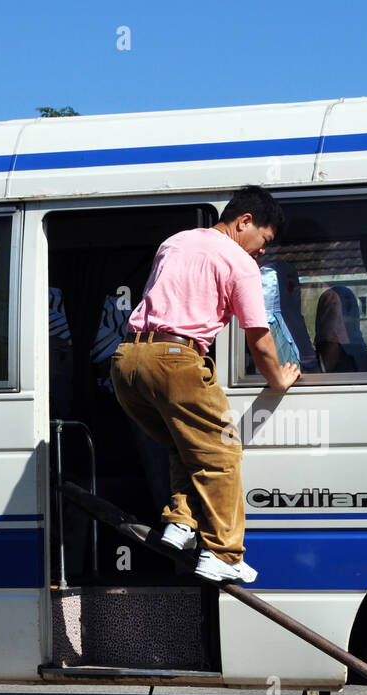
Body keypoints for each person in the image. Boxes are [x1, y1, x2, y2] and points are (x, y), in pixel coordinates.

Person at [110, 186, 301, 584]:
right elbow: (259, 337)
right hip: (176, 361)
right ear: (244, 221)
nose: (263, 251)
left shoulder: (176, 242)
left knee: (188, 443)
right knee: (224, 452)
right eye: (264, 240)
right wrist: (277, 379)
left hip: (127, 362)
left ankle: (180, 524)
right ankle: (223, 552)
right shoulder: (239, 261)